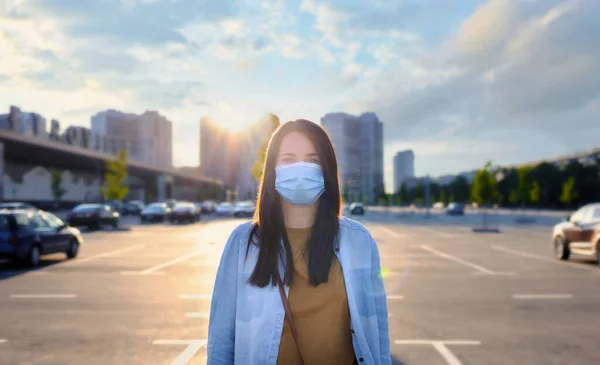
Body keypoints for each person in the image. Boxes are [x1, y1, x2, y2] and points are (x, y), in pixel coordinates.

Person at [207, 119, 391, 365]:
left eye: (313, 160)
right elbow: (221, 340)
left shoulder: (359, 241)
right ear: (272, 170)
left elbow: (377, 331)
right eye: (289, 160)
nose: (301, 169)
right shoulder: (243, 244)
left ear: (327, 169)